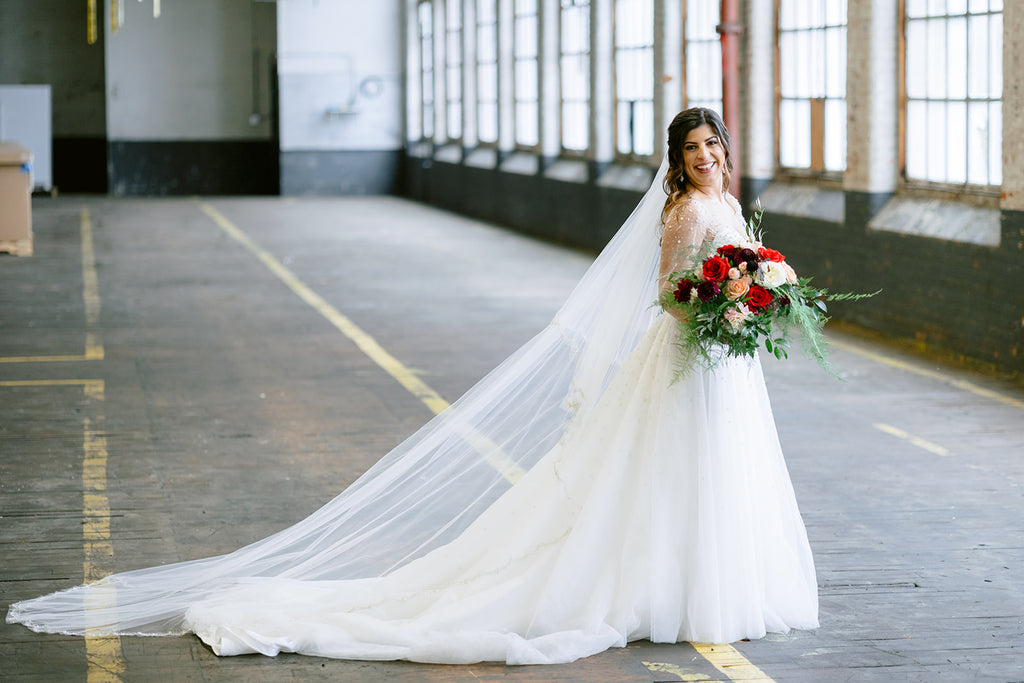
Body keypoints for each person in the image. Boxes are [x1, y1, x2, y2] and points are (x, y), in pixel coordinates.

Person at [6, 108, 818, 665]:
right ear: (675, 159)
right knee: (663, 473)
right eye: (692, 149)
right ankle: (662, 584)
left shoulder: (728, 199)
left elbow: (732, 268)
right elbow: (667, 292)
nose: (705, 157)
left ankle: (709, 581)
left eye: (712, 145)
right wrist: (718, 301)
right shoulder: (682, 213)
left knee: (717, 473)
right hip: (689, 351)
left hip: (727, 361)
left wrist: (753, 292)